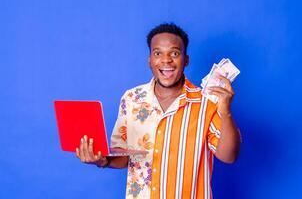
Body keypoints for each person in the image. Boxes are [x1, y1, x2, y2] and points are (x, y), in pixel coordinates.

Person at [75, 23, 241, 199]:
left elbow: (229, 156)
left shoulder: (206, 102)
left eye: (174, 53)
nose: (166, 60)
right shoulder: (131, 98)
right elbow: (123, 155)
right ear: (150, 61)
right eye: (158, 53)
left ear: (186, 60)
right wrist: (103, 161)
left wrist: (226, 112)